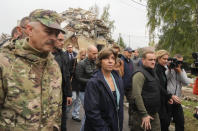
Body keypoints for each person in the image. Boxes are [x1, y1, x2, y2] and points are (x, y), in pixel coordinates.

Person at [0, 9, 64, 131]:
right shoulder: (5, 62)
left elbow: (57, 108)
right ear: (29, 30)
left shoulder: (54, 65)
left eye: (56, 34)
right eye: (48, 31)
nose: (54, 38)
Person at [84, 48, 124, 131]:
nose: (110, 61)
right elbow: (92, 112)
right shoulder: (94, 82)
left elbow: (119, 107)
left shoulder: (118, 78)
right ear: (100, 61)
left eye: (113, 58)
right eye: (106, 58)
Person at [130, 50, 161, 131]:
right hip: (142, 114)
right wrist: (144, 114)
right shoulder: (139, 74)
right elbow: (136, 95)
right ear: (143, 60)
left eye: (154, 60)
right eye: (150, 60)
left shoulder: (152, 72)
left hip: (153, 112)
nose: (153, 62)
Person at [166, 54, 192, 131]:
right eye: (178, 62)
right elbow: (164, 79)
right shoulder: (167, 69)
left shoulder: (182, 70)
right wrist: (170, 69)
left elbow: (186, 82)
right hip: (168, 99)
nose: (179, 64)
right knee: (165, 122)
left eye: (181, 62)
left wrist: (180, 72)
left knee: (180, 122)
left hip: (177, 100)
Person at [52, 32, 72, 131]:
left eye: (63, 40)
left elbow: (67, 76)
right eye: (60, 40)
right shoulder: (48, 55)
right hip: (50, 96)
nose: (62, 43)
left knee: (62, 121)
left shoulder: (65, 55)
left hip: (62, 95)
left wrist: (69, 94)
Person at [75, 45, 98, 131]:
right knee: (89, 113)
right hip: (83, 91)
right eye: (93, 53)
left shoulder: (96, 62)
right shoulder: (81, 64)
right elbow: (78, 78)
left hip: (94, 91)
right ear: (88, 53)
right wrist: (91, 81)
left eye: (97, 53)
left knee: (90, 113)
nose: (95, 55)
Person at [155, 50, 176, 131]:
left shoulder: (162, 69)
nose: (166, 61)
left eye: (167, 59)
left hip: (163, 99)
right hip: (158, 100)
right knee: (163, 122)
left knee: (166, 122)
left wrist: (168, 98)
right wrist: (169, 96)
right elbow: (159, 86)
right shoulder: (157, 69)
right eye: (164, 59)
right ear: (158, 58)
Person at [67, 48, 86, 122]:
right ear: (79, 54)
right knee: (73, 99)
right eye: (82, 55)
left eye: (85, 55)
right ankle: (65, 113)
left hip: (81, 85)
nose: (83, 57)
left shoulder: (85, 62)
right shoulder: (74, 60)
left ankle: (75, 115)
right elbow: (69, 71)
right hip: (74, 84)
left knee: (78, 101)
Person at [120, 47, 134, 126]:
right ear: (124, 52)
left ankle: (131, 122)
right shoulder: (120, 61)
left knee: (132, 104)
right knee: (119, 105)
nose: (130, 54)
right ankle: (119, 122)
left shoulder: (131, 61)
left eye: (131, 52)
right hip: (121, 87)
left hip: (130, 87)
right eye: (129, 52)